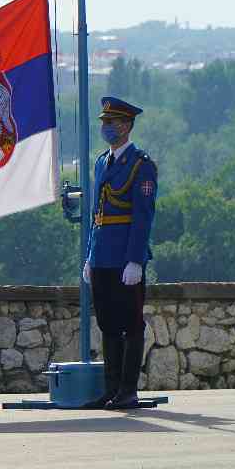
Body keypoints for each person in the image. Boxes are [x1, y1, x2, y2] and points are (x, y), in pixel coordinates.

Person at [82, 97, 158, 410]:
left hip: (125, 258)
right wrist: (90, 254)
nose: (105, 128)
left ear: (126, 126)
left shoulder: (142, 165)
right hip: (102, 256)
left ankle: (128, 391)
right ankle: (110, 390)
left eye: (110, 123)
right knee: (108, 324)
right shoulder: (102, 162)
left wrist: (135, 260)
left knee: (131, 324)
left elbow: (143, 216)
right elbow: (96, 214)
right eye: (103, 123)